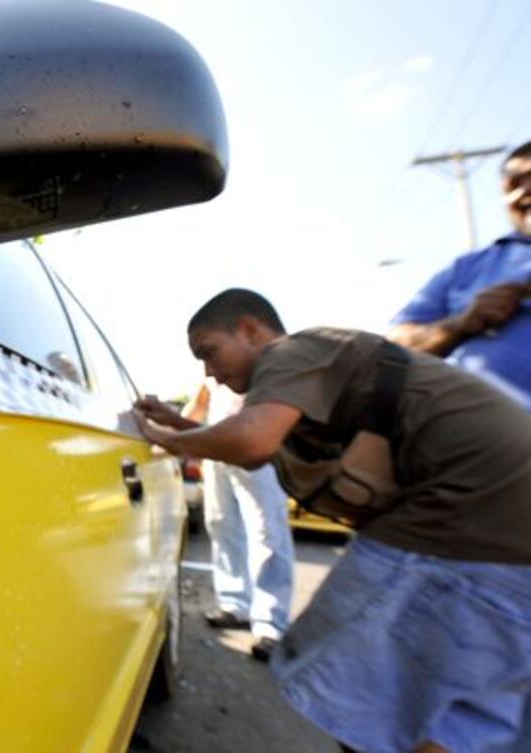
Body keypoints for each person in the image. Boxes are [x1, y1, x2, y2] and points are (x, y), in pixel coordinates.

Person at [130, 288, 531, 753]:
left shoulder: (290, 351)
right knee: (446, 717)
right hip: (502, 518)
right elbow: (262, 449)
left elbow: (253, 442)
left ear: (251, 330)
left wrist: (160, 435)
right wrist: (179, 424)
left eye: (209, 353)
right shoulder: (314, 376)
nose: (209, 373)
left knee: (354, 691)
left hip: (474, 508)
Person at [141, 379, 293, 662]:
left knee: (267, 534)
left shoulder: (270, 368)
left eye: (209, 353)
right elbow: (199, 407)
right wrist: (166, 431)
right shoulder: (214, 373)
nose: (211, 369)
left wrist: (169, 437)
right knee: (221, 525)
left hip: (258, 454)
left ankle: (270, 625)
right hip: (218, 454)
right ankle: (234, 604)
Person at [389, 140, 531, 409]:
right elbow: (392, 347)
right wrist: (460, 324)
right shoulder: (465, 269)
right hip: (462, 428)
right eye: (514, 183)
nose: (526, 191)